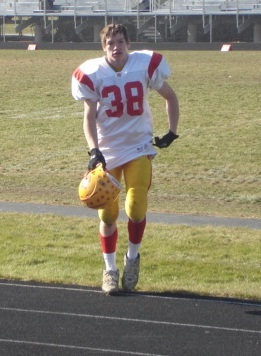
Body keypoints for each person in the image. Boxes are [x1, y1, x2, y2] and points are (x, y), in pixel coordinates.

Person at [71, 23, 179, 295]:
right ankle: (109, 269)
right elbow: (89, 116)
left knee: (136, 205)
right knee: (107, 213)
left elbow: (170, 96)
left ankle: (132, 258)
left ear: (128, 43)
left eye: (119, 42)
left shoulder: (144, 64)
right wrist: (93, 149)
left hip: (138, 146)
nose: (115, 47)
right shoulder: (93, 73)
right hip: (108, 150)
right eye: (110, 43)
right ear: (103, 47)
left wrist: (172, 132)